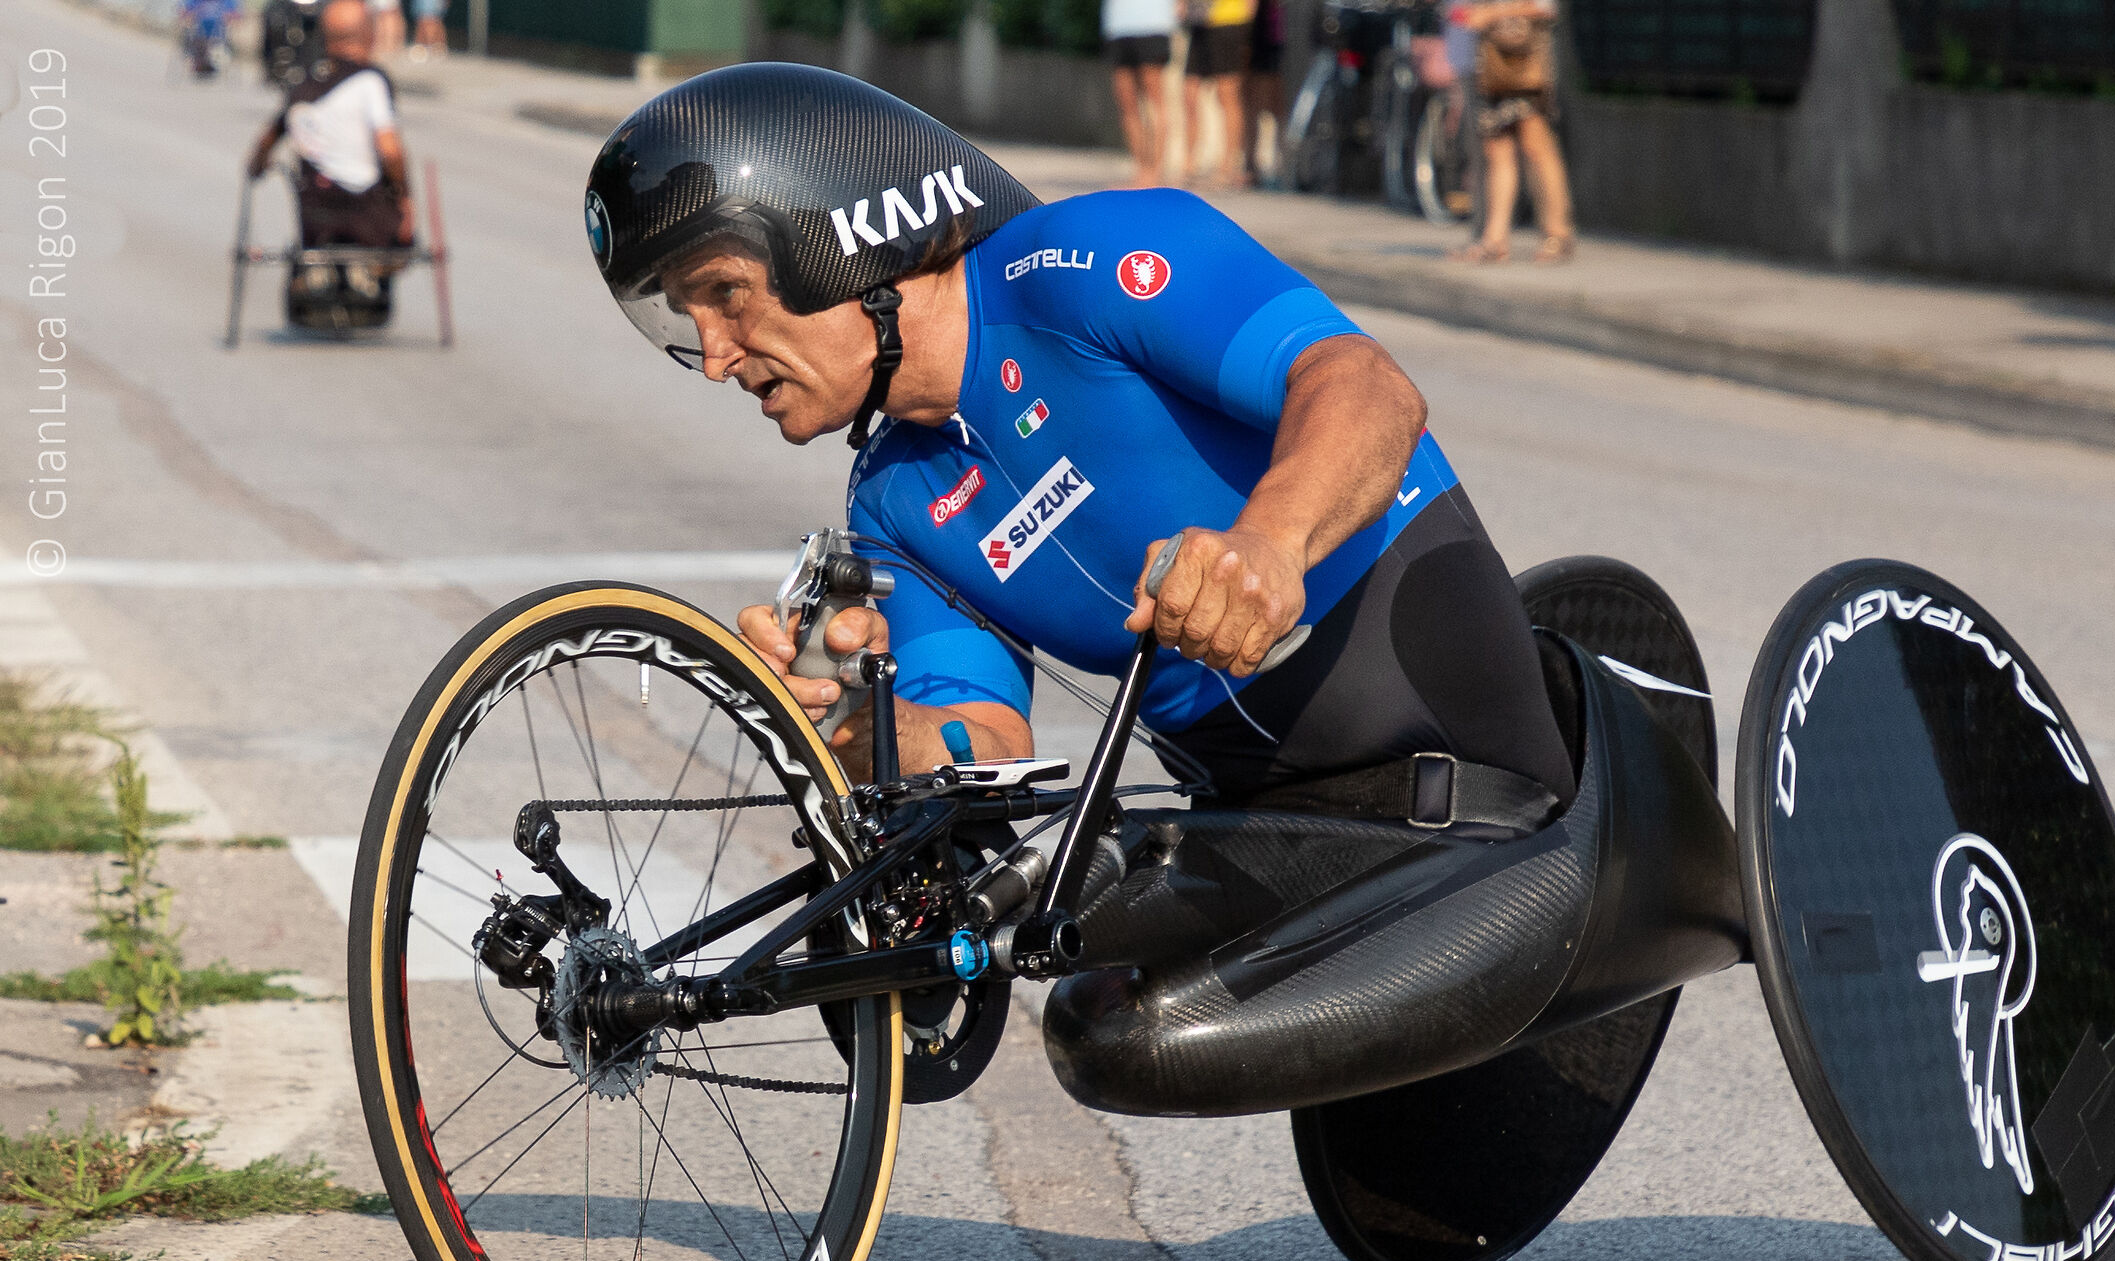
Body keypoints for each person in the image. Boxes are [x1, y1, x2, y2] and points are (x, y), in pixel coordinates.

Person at [584, 64, 1574, 827]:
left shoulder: (1078, 268)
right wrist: (857, 730)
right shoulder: (890, 504)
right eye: (687, 319)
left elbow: (1369, 388)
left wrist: (1270, 543)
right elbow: (989, 742)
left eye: (725, 295)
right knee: (1102, 1021)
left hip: (1426, 670)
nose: (714, 357)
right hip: (1250, 797)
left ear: (837, 239)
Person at [247, 0, 415, 277]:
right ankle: (371, 273)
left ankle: (318, 272)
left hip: (315, 215)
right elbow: (391, 151)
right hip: (368, 213)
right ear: (369, 34)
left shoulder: (303, 86)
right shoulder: (371, 81)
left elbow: (267, 140)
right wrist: (404, 198)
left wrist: (257, 166)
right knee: (400, 228)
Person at [1448, 0, 1573, 265]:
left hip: (1525, 59)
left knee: (1536, 146)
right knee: (1497, 150)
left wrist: (1492, 13)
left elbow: (1545, 7)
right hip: (1491, 62)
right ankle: (1495, 239)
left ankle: (1558, 234)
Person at [1183, 0, 1256, 188]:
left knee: (1228, 93)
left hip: (1229, 19)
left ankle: (1227, 166)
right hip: (1199, 19)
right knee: (1189, 93)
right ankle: (1189, 164)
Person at [1104, 0, 1176, 186]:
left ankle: (1155, 171)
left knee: (1154, 101)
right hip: (1117, 25)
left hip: (1153, 23)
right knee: (1126, 102)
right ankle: (1140, 169)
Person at [1240, 0, 1284, 187]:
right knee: (1251, 102)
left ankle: (1282, 161)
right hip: (1257, 32)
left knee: (1277, 102)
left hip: (1277, 34)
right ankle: (1250, 163)